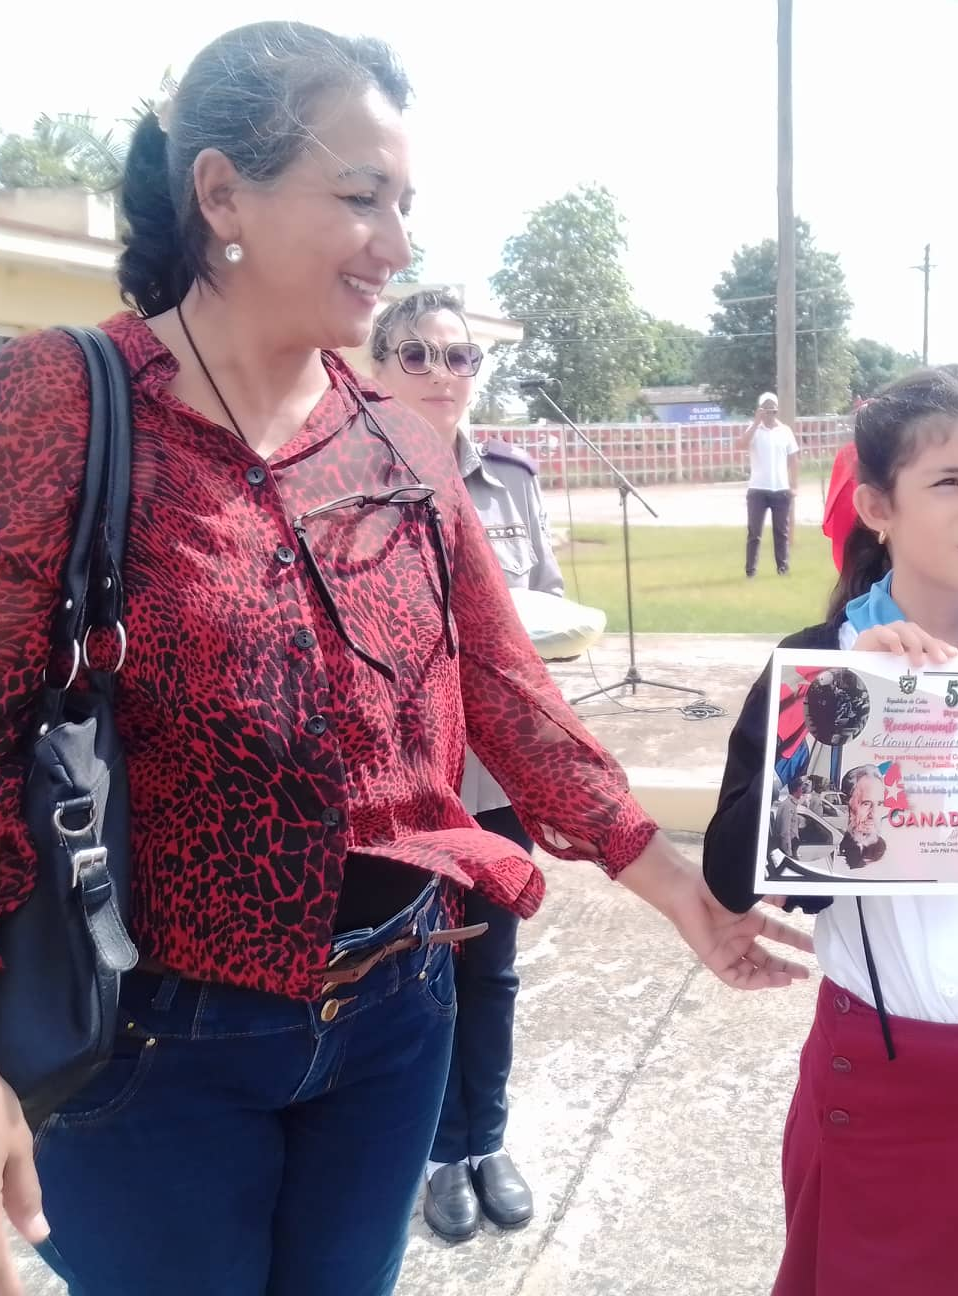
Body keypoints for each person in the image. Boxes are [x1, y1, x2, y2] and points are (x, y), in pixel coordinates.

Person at [0, 23, 810, 1296]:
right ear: (221, 193)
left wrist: (684, 897)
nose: (399, 244)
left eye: (406, 203)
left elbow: (507, 699)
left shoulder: (403, 447)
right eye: (361, 197)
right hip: (152, 1046)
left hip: (396, 1020)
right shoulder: (62, 403)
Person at [703, 365, 958, 1295]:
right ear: (878, 506)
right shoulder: (809, 666)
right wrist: (833, 701)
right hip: (872, 1076)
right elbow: (738, 874)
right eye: (950, 481)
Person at [368, 288, 561, 1242]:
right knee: (407, 979)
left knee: (489, 971)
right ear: (374, 366)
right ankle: (432, 1155)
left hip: (490, 783)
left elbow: (547, 621)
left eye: (461, 357)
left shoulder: (512, 482)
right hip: (395, 793)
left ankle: (484, 1137)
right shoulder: (347, 479)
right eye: (417, 354)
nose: (444, 374)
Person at [741, 391, 800, 577]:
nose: (769, 414)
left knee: (781, 532)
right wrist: (756, 422)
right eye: (765, 410)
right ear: (760, 410)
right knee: (754, 532)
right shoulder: (754, 430)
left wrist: (794, 485)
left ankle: (782, 568)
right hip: (758, 488)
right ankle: (751, 570)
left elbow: (793, 459)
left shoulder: (785, 431)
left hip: (780, 489)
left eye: (772, 410)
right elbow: (741, 445)